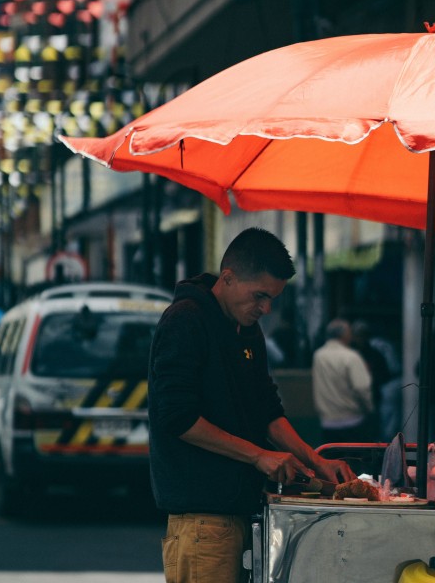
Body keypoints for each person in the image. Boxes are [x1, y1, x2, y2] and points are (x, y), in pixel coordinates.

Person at [148, 227, 354, 583]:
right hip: (203, 523)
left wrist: (314, 459)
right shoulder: (186, 319)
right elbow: (177, 417)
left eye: (273, 298)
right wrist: (258, 455)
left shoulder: (248, 331)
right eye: (259, 296)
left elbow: (267, 409)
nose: (266, 308)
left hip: (239, 515)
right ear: (227, 278)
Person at [312, 318, 375, 443]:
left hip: (327, 422)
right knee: (355, 460)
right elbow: (362, 387)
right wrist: (369, 408)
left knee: (332, 459)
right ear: (344, 335)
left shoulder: (319, 355)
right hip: (352, 420)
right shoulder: (351, 357)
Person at [350, 319, 389, 440]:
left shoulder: (374, 355)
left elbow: (385, 375)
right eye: (357, 335)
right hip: (352, 401)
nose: (359, 338)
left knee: (370, 435)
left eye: (362, 335)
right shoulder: (350, 355)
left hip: (371, 400)